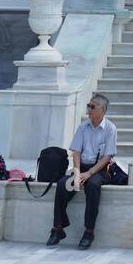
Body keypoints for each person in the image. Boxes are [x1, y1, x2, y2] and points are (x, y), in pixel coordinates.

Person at [46, 92, 116, 250]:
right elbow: (76, 151)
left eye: (93, 106)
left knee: (92, 186)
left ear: (103, 110)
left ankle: (89, 231)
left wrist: (89, 173)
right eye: (88, 106)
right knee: (63, 185)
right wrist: (77, 172)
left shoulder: (110, 129)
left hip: (99, 170)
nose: (89, 109)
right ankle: (58, 228)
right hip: (81, 167)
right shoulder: (83, 127)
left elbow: (107, 157)